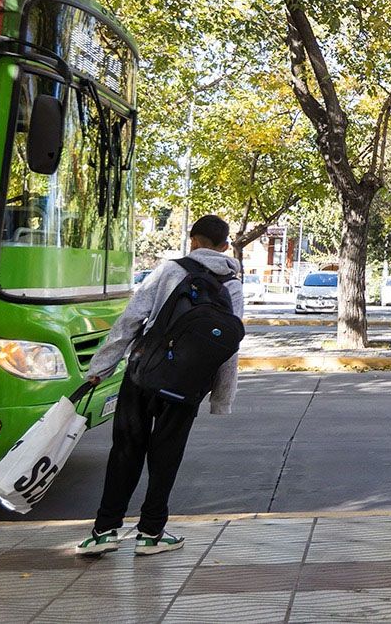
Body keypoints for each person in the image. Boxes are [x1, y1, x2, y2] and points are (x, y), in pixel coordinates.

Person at [76, 215, 244, 556]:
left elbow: (130, 320)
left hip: (143, 374)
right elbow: (229, 348)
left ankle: (104, 530)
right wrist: (221, 400)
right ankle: (151, 533)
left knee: (125, 450)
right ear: (226, 246)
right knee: (166, 456)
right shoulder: (233, 285)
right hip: (186, 386)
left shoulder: (169, 270)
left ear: (193, 241)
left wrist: (101, 367)